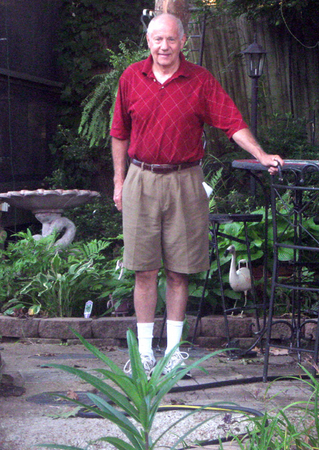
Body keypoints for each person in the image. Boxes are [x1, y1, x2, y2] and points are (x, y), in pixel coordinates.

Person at [110, 13, 284, 376]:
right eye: (157, 39)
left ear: (182, 42)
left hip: (186, 180)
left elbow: (233, 122)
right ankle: (144, 355)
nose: (163, 46)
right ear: (148, 42)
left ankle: (173, 353)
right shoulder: (131, 78)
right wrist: (118, 181)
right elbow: (118, 133)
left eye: (171, 39)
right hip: (140, 178)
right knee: (144, 270)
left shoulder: (200, 81)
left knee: (179, 271)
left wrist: (261, 155)